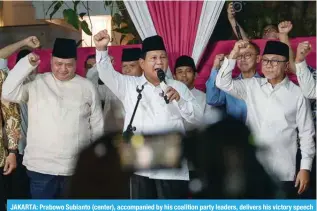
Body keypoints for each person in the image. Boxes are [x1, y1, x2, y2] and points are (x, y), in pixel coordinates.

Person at [94, 29, 203, 199]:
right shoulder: (129, 85)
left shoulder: (178, 87)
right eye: (153, 58)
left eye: (163, 57)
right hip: (140, 167)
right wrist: (101, 49)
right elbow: (105, 73)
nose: (159, 62)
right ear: (142, 63)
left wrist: (180, 100)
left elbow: (198, 118)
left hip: (170, 168)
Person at [2, 37, 104, 199]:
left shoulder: (87, 87)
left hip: (76, 168)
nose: (63, 69)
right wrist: (27, 64)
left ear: (76, 63)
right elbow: (7, 92)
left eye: (69, 65)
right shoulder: (38, 82)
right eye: (58, 64)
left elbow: (97, 126)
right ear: (50, 61)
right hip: (41, 168)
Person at [215, 40, 316, 198]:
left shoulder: (298, 94)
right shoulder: (251, 86)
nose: (269, 64)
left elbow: (306, 134)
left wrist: (305, 168)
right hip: (252, 169)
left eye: (275, 60)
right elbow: (222, 82)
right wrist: (234, 53)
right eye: (266, 60)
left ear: (286, 66)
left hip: (282, 170)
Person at [206, 42, 261, 123]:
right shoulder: (229, 84)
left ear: (258, 58)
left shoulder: (266, 83)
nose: (242, 59)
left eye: (247, 55)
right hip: (236, 132)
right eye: (239, 56)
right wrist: (216, 67)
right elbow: (212, 100)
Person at [174, 55, 222, 129]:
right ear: (174, 76)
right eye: (180, 72)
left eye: (188, 71)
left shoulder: (205, 98)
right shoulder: (169, 96)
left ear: (195, 75)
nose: (184, 75)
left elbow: (208, 125)